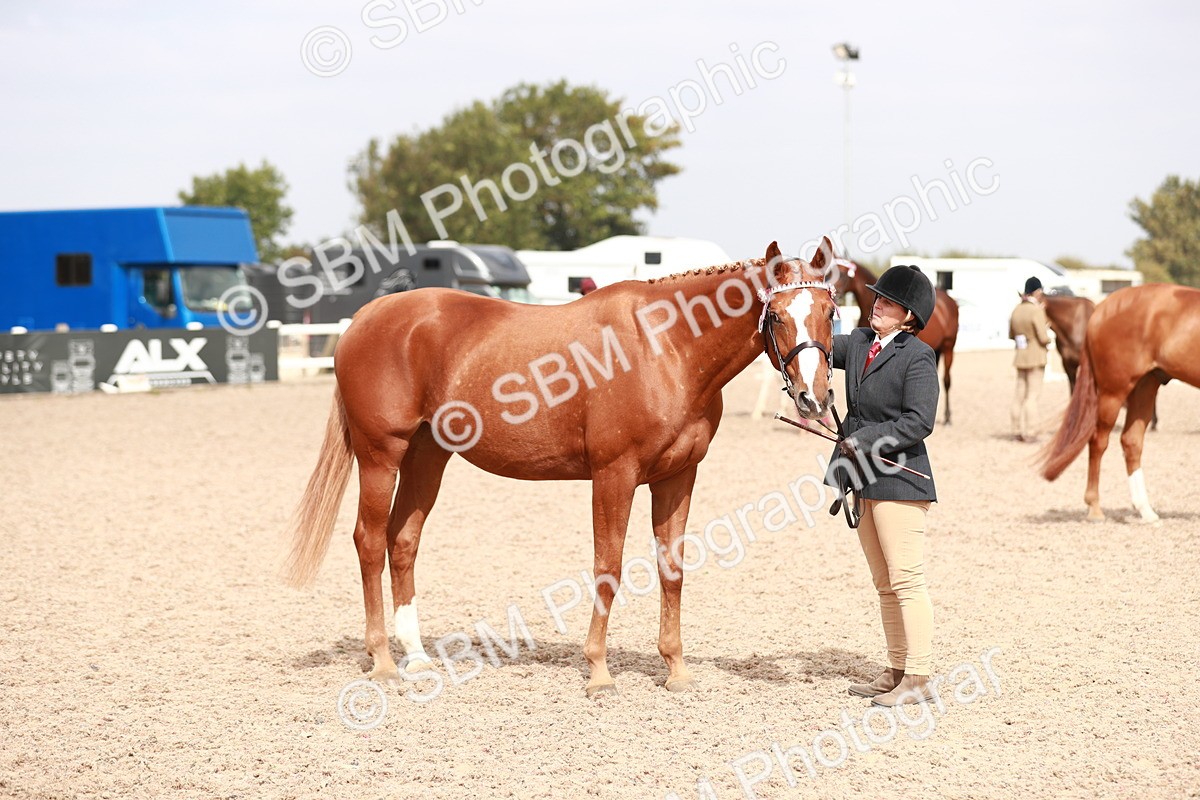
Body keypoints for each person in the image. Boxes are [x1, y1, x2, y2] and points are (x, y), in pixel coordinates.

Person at [823, 265, 940, 707]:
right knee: (884, 583)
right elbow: (811, 346)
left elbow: (919, 421)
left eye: (887, 302)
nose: (877, 304)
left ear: (909, 315)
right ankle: (896, 670)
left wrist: (865, 439)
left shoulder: (918, 356)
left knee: (906, 579)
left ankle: (920, 676)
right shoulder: (857, 343)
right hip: (860, 476)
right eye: (876, 299)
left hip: (899, 475)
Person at [1008, 277, 1051, 443]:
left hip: (1020, 356)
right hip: (1036, 356)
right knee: (1032, 395)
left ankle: (1015, 430)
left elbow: (1011, 334)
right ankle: (1031, 431)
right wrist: (1048, 340)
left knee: (1018, 395)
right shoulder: (1036, 310)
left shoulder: (1016, 310)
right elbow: (1042, 336)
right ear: (1037, 291)